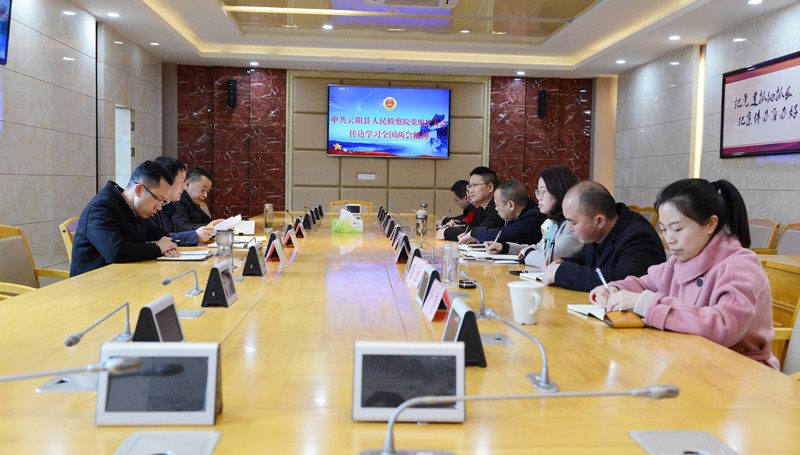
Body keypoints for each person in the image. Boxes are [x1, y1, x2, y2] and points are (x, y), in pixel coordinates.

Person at [591, 179, 779, 369]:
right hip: (693, 362)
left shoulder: (738, 265)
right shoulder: (681, 260)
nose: (669, 239)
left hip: (741, 370)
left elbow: (723, 326)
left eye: (677, 229)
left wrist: (647, 304)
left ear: (710, 224)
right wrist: (613, 289)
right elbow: (645, 283)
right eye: (664, 229)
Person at [542, 181, 666, 291]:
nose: (569, 228)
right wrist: (560, 262)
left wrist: (562, 272)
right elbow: (585, 260)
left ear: (600, 221)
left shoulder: (638, 236)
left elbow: (622, 281)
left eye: (573, 223)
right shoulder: (597, 232)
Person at [70, 161, 179, 277]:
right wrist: (158, 248)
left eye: (163, 202)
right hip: (92, 282)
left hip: (122, 277)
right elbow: (115, 252)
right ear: (139, 190)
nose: (159, 207)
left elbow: (157, 233)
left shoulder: (135, 209)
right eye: (158, 199)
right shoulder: (101, 208)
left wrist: (168, 245)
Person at [487, 165, 582, 266]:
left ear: (559, 192)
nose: (539, 197)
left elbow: (550, 257)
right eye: (538, 192)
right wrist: (504, 248)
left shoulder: (573, 225)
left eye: (543, 192)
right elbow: (540, 248)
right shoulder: (554, 222)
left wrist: (527, 253)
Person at [458, 179, 547, 246]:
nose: (496, 209)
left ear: (511, 205)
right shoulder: (516, 215)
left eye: (497, 205)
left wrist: (475, 233)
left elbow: (502, 234)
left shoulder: (535, 217)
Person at [150, 157, 217, 246]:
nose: (184, 187)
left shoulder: (167, 205)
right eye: (182, 182)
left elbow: (164, 237)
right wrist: (195, 235)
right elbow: (156, 240)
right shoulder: (155, 206)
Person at [435, 166, 504, 241]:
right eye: (470, 186)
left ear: (490, 187)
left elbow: (481, 233)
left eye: (475, 185)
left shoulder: (497, 208)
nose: (470, 190)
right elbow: (472, 226)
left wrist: (446, 232)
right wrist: (458, 226)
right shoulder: (482, 208)